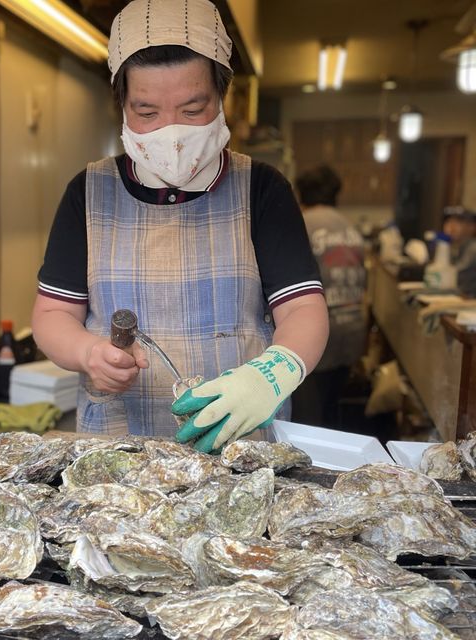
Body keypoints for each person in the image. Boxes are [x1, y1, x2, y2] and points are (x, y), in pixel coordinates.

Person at [31, 0, 328, 453]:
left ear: (222, 97)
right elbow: (53, 316)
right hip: (118, 451)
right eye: (147, 113)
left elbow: (303, 310)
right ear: (122, 107)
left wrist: (270, 376)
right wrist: (88, 353)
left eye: (192, 110)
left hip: (238, 447)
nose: (170, 132)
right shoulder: (88, 193)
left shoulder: (261, 190)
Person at [291, 165, 366, 428]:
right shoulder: (350, 227)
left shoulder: (302, 223)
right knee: (333, 408)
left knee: (309, 417)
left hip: (322, 332)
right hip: (353, 329)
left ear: (301, 194)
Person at [442, 205, 476, 297]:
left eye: (459, 222)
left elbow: (453, 275)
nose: (451, 226)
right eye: (448, 221)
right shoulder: (454, 246)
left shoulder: (473, 248)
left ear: (472, 227)